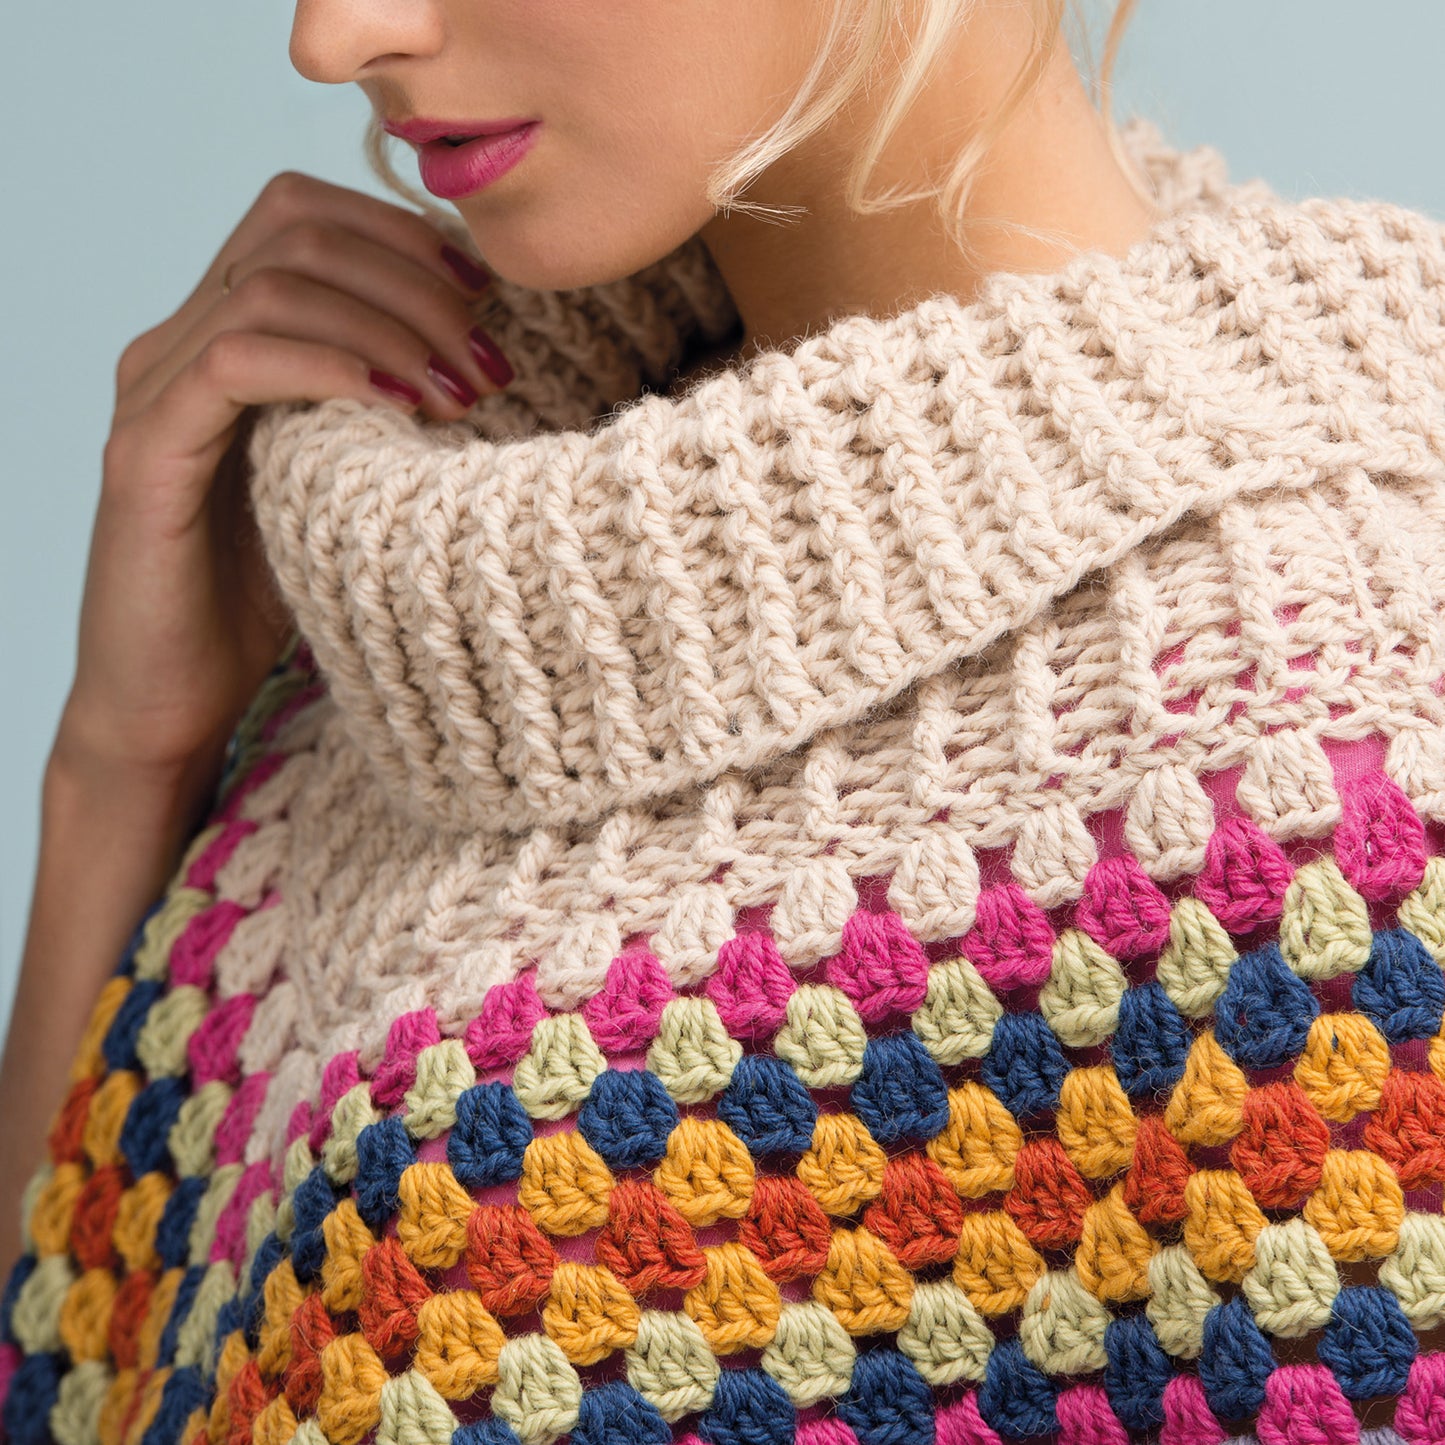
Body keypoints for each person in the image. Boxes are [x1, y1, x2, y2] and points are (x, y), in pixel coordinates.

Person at [2, 1, 1444, 1442]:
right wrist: (126, 752)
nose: (336, 37)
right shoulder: (427, 562)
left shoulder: (1299, 759)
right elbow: (57, 1354)